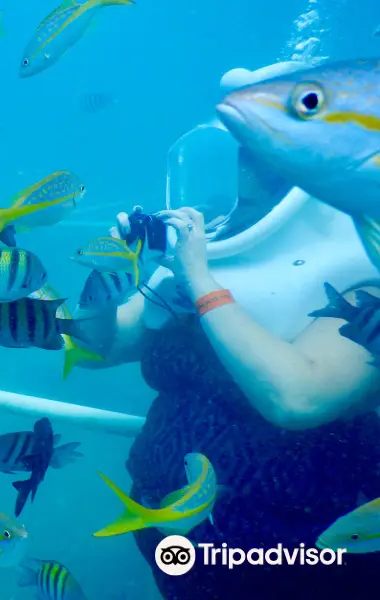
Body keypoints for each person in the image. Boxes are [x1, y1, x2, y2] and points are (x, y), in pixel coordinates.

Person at [76, 62, 380, 600]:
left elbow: (299, 397)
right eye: (244, 150)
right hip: (176, 534)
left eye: (268, 153)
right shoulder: (207, 246)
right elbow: (107, 346)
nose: (251, 163)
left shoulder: (363, 275)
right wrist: (102, 277)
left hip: (303, 549)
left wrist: (199, 277)